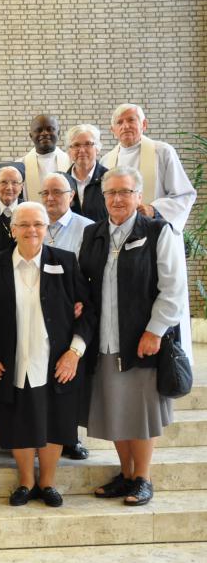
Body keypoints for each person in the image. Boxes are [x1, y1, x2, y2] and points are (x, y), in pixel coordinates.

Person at [78, 167, 185, 507]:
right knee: (116, 410)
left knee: (140, 413)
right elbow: (85, 282)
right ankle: (125, 475)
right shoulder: (93, 233)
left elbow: (172, 289)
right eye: (111, 192)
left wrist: (155, 330)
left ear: (139, 196)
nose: (118, 198)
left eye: (125, 191)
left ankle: (143, 478)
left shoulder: (157, 231)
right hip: (104, 340)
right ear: (103, 197)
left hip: (140, 339)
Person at [0, 202, 94, 508]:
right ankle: (26, 482)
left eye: (38, 224)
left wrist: (74, 352)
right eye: (24, 225)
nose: (32, 230)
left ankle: (48, 483)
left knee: (56, 420)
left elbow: (87, 310)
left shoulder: (65, 262)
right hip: (12, 360)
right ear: (13, 229)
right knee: (18, 421)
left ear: (46, 228)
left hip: (56, 360)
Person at [102, 103, 196, 359]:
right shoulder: (107, 160)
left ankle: (169, 356)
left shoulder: (162, 152)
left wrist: (154, 209)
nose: (126, 126)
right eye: (120, 122)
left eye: (131, 120)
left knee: (164, 289)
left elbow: (185, 194)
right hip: (121, 243)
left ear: (144, 125)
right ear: (113, 130)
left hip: (159, 236)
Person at [39, 173, 95, 461]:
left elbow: (93, 273)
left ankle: (69, 438)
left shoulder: (88, 229)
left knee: (69, 378)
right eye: (45, 192)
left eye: (57, 192)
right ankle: (41, 436)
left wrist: (81, 302)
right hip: (40, 315)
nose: (50, 198)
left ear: (71, 195)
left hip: (75, 312)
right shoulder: (35, 225)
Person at [10, 115, 71, 202]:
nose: (44, 133)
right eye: (39, 130)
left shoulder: (71, 161)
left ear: (58, 133)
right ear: (31, 136)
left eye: (50, 129)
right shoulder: (20, 165)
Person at [64, 125, 108, 222]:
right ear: (69, 151)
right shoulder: (62, 183)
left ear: (97, 148)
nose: (82, 150)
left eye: (88, 144)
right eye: (76, 145)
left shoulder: (110, 179)